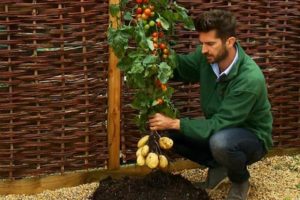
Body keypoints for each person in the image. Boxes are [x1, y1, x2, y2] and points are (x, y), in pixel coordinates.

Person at [148, 9, 273, 200]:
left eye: (210, 44)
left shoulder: (249, 79)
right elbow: (180, 68)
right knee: (171, 136)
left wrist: (174, 122)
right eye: (202, 43)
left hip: (251, 136)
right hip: (221, 127)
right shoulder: (207, 58)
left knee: (221, 142)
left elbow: (221, 124)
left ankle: (240, 181)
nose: (204, 49)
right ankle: (220, 166)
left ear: (230, 42)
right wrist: (154, 54)